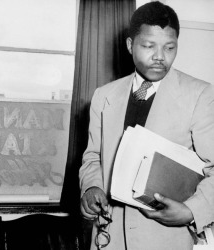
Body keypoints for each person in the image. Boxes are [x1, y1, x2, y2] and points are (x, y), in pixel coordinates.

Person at [79, 1, 214, 250]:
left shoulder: (200, 95)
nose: (160, 57)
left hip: (164, 240)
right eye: (149, 46)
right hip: (108, 239)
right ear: (131, 45)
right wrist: (91, 187)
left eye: (169, 47)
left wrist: (191, 211)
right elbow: (93, 157)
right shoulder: (103, 95)